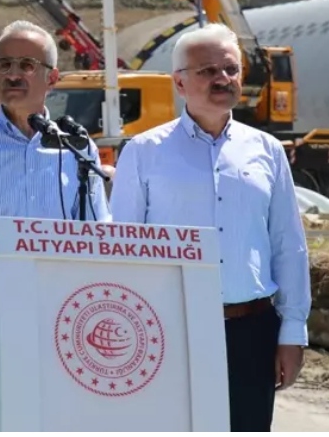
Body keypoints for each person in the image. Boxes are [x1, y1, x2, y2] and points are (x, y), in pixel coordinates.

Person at [109, 23, 311, 432]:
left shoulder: (266, 151)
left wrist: (293, 331)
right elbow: (122, 251)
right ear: (179, 82)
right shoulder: (144, 152)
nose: (223, 79)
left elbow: (287, 244)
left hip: (251, 332)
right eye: (207, 71)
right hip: (168, 332)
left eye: (231, 69)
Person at [0, 19, 111, 431]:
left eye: (26, 65)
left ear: (52, 77)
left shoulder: (76, 144)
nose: (13, 74)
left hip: (62, 321)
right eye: (5, 64)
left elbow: (98, 227)